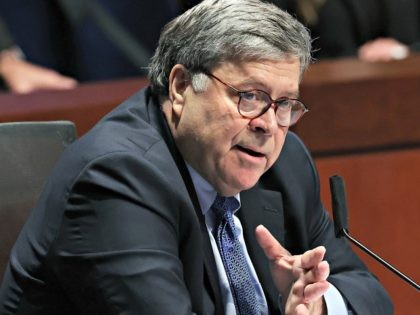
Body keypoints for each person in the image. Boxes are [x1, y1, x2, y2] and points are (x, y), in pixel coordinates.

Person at [0, 0, 392, 314]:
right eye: (250, 97)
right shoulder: (117, 178)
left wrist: (316, 305)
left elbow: (369, 296)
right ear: (181, 86)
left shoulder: (283, 161)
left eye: (285, 103)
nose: (269, 125)